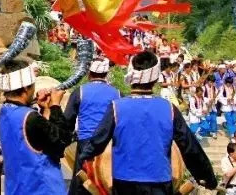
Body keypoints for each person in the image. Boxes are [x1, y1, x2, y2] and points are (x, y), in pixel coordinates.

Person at [74, 50, 217, 195]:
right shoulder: (168, 108)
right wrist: (207, 177)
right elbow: (189, 147)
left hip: (125, 183)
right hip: (159, 182)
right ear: (155, 80)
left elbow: (97, 142)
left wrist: (83, 157)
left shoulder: (117, 107)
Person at [0, 59, 71, 195]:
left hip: (17, 188)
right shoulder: (31, 119)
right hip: (41, 188)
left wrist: (45, 109)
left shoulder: (4, 111)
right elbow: (62, 140)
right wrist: (55, 106)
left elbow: (40, 139)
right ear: (26, 88)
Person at [63, 56, 120, 170]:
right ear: (106, 74)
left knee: (82, 181)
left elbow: (68, 119)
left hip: (85, 142)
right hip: (108, 144)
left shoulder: (80, 91)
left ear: (89, 73)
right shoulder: (117, 93)